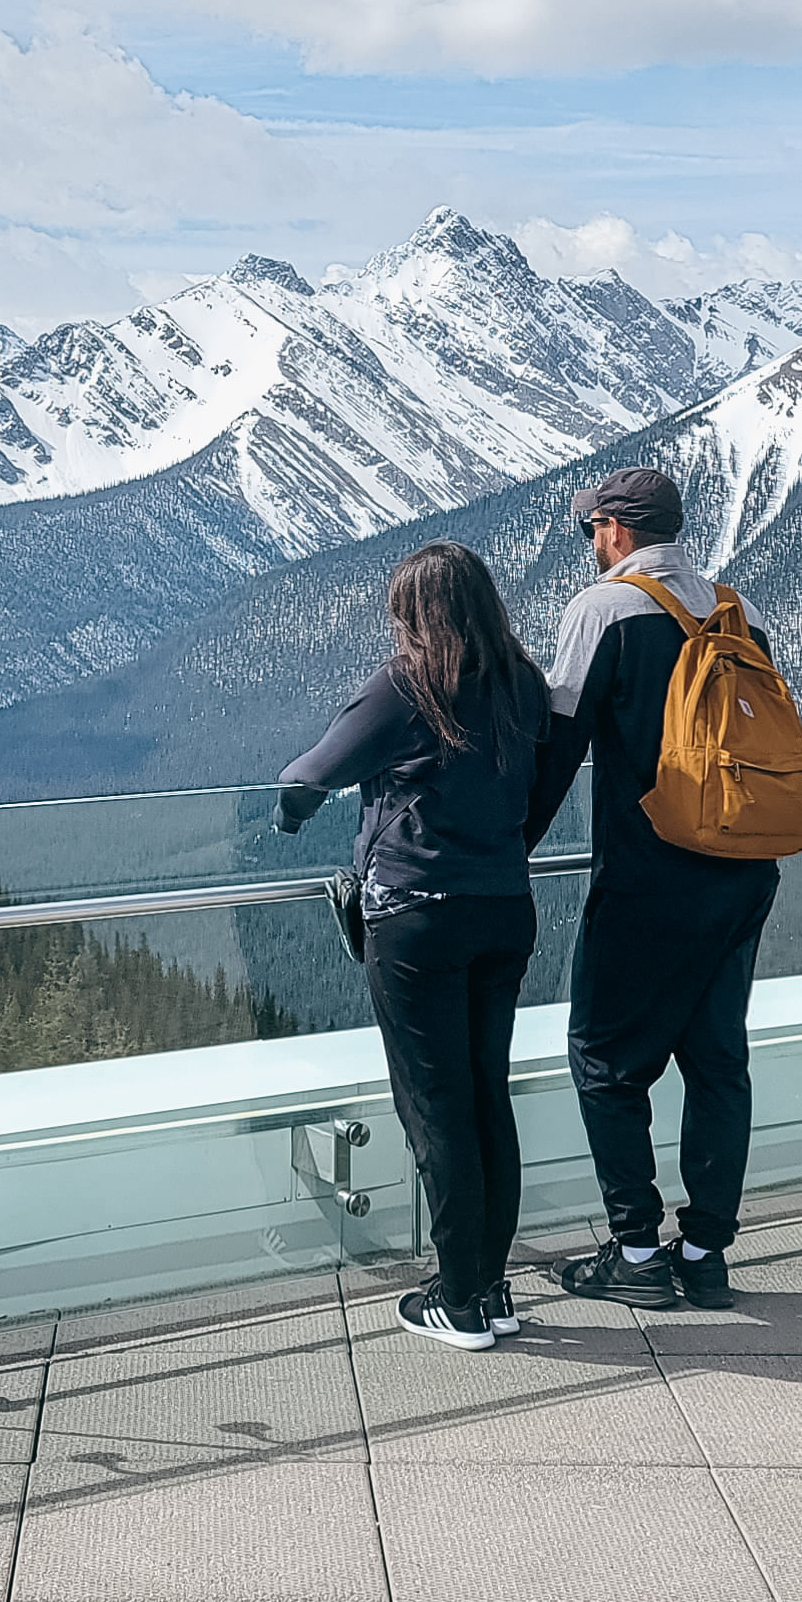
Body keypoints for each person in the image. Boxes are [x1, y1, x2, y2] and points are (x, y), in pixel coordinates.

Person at [278, 540, 547, 1350]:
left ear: (416, 615)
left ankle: (458, 1299)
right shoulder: (523, 683)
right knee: (485, 1097)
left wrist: (291, 817)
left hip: (418, 918)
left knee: (435, 1109)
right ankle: (491, 1286)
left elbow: (307, 775)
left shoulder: (406, 686)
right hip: (505, 908)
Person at [525, 467, 779, 1311]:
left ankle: (635, 1253)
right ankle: (704, 1253)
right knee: (717, 1063)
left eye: (591, 529)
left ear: (617, 531)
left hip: (647, 877)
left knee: (603, 1059)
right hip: (742, 871)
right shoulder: (730, 611)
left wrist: (505, 844)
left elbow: (559, 745)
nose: (591, 544)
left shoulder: (606, 609)